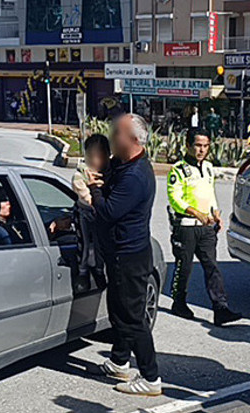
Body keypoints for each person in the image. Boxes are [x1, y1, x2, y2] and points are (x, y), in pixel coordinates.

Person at [87, 114, 162, 396]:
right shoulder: (123, 164)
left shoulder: (135, 176)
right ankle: (120, 360)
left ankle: (151, 377)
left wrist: (94, 189)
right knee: (117, 309)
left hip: (129, 256)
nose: (110, 137)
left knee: (132, 317)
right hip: (119, 254)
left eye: (115, 133)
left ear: (131, 140)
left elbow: (107, 212)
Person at [167, 128, 241, 326]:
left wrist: (215, 211)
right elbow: (175, 198)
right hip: (187, 226)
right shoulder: (179, 170)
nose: (202, 150)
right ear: (188, 146)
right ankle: (179, 302)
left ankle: (220, 308)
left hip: (207, 228)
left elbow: (210, 193)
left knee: (212, 267)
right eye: (198, 145)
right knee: (185, 266)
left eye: (205, 146)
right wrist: (196, 212)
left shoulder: (208, 167)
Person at [71, 134, 110, 290]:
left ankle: (99, 270)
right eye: (92, 156)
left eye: (100, 156)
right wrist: (95, 190)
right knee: (86, 245)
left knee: (100, 246)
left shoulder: (109, 173)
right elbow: (88, 199)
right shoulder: (80, 175)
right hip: (85, 213)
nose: (96, 161)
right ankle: (83, 273)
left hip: (100, 215)